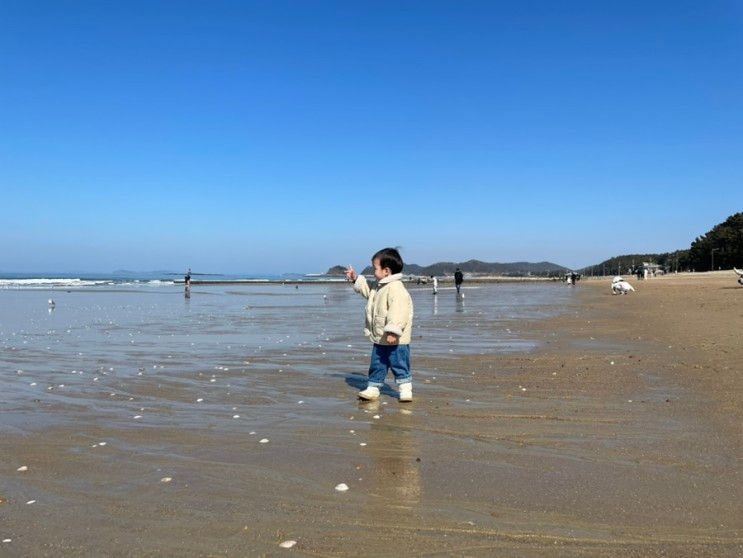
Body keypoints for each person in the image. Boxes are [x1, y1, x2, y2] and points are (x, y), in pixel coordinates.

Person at [345, 247, 414, 402]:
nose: (373, 272)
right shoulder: (380, 286)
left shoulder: (396, 289)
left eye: (375, 268)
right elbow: (368, 291)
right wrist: (356, 278)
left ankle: (405, 389)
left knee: (399, 363)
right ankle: (373, 387)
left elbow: (399, 311)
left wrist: (393, 331)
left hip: (395, 339)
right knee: (377, 364)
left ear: (386, 271)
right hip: (380, 337)